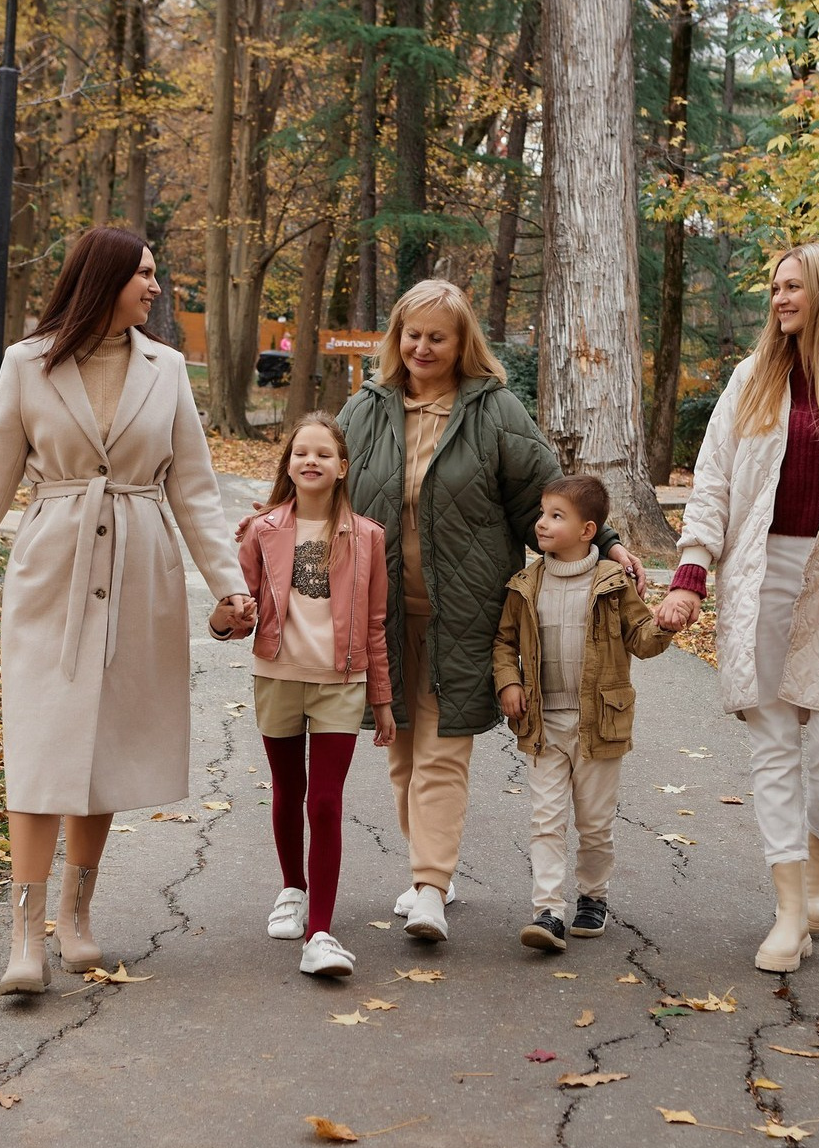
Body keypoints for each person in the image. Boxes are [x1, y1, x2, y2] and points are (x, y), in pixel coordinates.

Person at [0, 226, 256, 996]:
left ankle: (77, 917)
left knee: (101, 752)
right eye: (145, 274)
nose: (156, 288)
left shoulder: (167, 370)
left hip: (140, 569)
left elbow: (194, 490)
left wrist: (229, 586)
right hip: (52, 563)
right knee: (42, 747)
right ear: (104, 279)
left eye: (156, 275)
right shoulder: (27, 364)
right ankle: (25, 935)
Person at [336, 279, 645, 943]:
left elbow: (552, 495)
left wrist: (611, 543)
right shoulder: (364, 411)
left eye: (436, 336)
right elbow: (318, 491)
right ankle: (425, 870)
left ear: (461, 343)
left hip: (468, 611)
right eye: (412, 334)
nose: (421, 346)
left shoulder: (494, 411)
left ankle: (429, 887)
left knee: (444, 751)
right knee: (401, 753)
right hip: (380, 613)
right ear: (397, 337)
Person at [656, 241, 819, 973]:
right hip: (762, 571)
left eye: (793, 287)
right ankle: (785, 911)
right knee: (774, 743)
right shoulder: (753, 376)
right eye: (774, 288)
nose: (779, 300)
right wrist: (691, 570)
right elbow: (712, 481)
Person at [229, 412, 396, 978]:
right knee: (287, 788)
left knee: (325, 802)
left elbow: (375, 624)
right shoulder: (262, 530)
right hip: (276, 674)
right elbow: (236, 611)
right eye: (301, 452)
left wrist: (382, 700)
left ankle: (321, 931)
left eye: (323, 454)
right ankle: (292, 889)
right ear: (289, 464)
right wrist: (226, 619)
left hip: (340, 683)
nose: (311, 461)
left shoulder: (368, 537)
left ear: (342, 467)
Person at [493, 475, 672, 952]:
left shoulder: (613, 586)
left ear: (588, 529)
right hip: (543, 723)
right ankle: (547, 910)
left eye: (556, 516)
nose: (542, 523)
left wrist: (667, 624)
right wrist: (508, 681)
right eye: (542, 513)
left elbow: (642, 639)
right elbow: (504, 641)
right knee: (546, 819)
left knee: (594, 822)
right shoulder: (526, 585)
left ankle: (593, 897)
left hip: (599, 723)